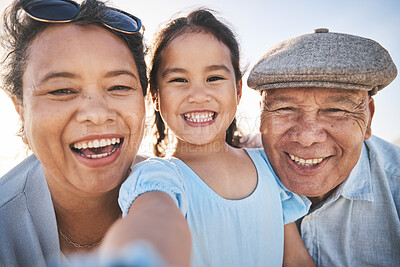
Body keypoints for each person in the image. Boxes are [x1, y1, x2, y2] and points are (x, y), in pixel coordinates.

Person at [102, 9, 314, 267]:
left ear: (237, 91)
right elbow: (152, 222)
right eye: (179, 79)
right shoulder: (157, 176)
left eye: (214, 78)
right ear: (155, 95)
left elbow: (297, 260)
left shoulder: (269, 166)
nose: (198, 95)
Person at [0, 0, 148, 265]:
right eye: (61, 90)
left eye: (118, 87)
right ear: (20, 109)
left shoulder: (188, 202)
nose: (98, 113)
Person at [247, 28, 399, 266]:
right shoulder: (233, 172)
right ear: (262, 115)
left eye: (335, 110)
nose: (307, 137)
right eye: (285, 109)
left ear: (368, 119)